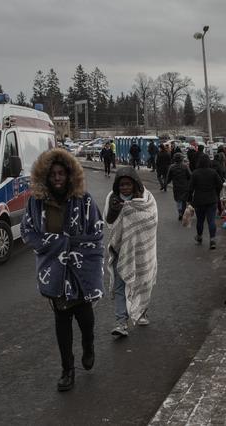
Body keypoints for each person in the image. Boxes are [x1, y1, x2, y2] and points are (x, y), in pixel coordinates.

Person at [20, 149, 104, 392]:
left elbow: (96, 233)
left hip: (80, 272)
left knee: (85, 320)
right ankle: (67, 370)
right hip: (54, 272)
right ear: (45, 176)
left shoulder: (84, 200)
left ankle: (88, 345)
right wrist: (55, 244)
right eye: (53, 174)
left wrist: (73, 247)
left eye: (61, 173)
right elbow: (28, 232)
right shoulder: (35, 203)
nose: (57, 177)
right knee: (62, 322)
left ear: (69, 175)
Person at [104, 166, 158, 337]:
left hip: (142, 250)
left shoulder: (146, 199)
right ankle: (121, 323)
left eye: (128, 184)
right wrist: (116, 209)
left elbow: (151, 220)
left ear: (135, 184)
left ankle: (141, 311)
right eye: (121, 185)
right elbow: (109, 222)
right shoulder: (111, 199)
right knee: (121, 286)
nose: (125, 188)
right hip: (121, 250)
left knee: (143, 282)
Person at [188, 154, 223, 249]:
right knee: (211, 220)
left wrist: (189, 200)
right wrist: (216, 192)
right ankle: (212, 240)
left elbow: (190, 188)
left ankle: (199, 237)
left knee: (200, 220)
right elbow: (220, 184)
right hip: (212, 200)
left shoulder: (195, 173)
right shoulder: (213, 172)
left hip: (199, 201)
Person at [166, 153, 192, 221]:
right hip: (185, 186)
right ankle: (182, 212)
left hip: (176, 186)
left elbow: (168, 177)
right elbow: (190, 175)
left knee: (178, 200)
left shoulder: (171, 167)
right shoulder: (185, 166)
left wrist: (166, 183)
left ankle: (180, 211)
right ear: (181, 159)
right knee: (184, 200)